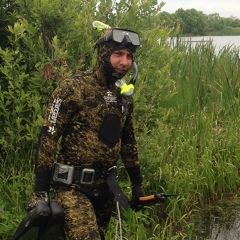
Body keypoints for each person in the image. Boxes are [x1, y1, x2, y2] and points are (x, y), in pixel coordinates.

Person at [25, 25, 145, 240]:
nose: (124, 62)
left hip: (106, 189)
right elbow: (49, 136)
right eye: (118, 54)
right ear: (103, 54)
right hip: (72, 189)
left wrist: (137, 185)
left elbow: (128, 141)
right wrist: (39, 191)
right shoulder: (73, 88)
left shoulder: (123, 94)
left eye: (129, 56)